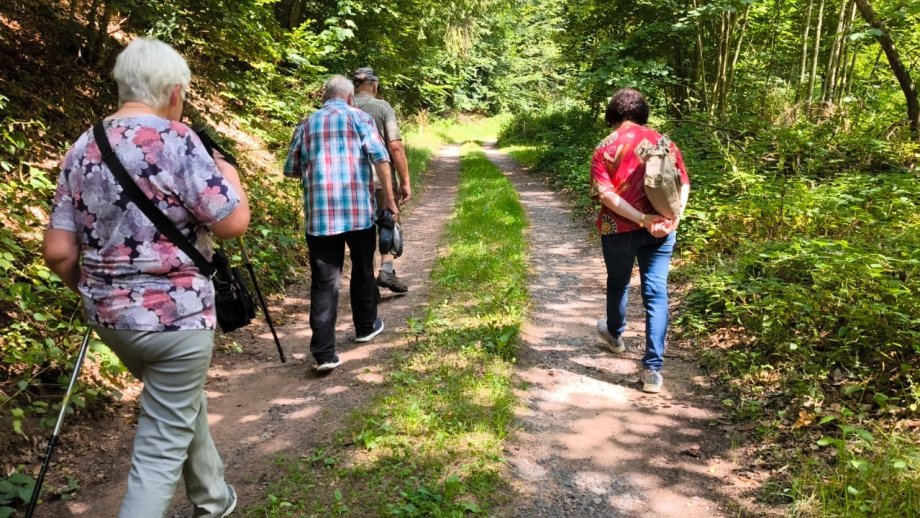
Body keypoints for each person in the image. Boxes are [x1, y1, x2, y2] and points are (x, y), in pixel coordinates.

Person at [42, 37, 247, 517]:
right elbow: (231, 223)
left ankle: (214, 499)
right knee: (158, 449)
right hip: (178, 321)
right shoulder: (177, 140)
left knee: (174, 403)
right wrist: (231, 175)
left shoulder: (83, 145)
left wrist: (98, 295)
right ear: (175, 92)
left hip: (112, 321)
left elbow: (57, 250)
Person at [284, 74, 398, 371]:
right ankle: (364, 327)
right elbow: (380, 158)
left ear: (324, 98)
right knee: (362, 268)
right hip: (358, 213)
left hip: (320, 218)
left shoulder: (306, 124)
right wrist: (389, 200)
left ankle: (323, 353)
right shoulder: (359, 118)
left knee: (324, 282)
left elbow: (291, 169)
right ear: (349, 98)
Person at [589, 88, 690, 394]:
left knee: (618, 282)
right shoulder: (664, 142)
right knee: (656, 293)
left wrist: (640, 219)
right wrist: (673, 219)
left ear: (613, 114)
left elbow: (605, 194)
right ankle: (653, 370)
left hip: (617, 228)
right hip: (661, 230)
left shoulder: (603, 148)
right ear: (643, 113)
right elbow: (683, 183)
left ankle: (615, 335)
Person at [351, 67, 412, 293]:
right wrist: (405, 180)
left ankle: (366, 280)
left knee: (360, 231)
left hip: (352, 183)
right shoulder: (382, 107)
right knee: (388, 221)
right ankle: (386, 269)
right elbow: (395, 146)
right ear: (375, 84)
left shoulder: (344, 107)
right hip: (380, 177)